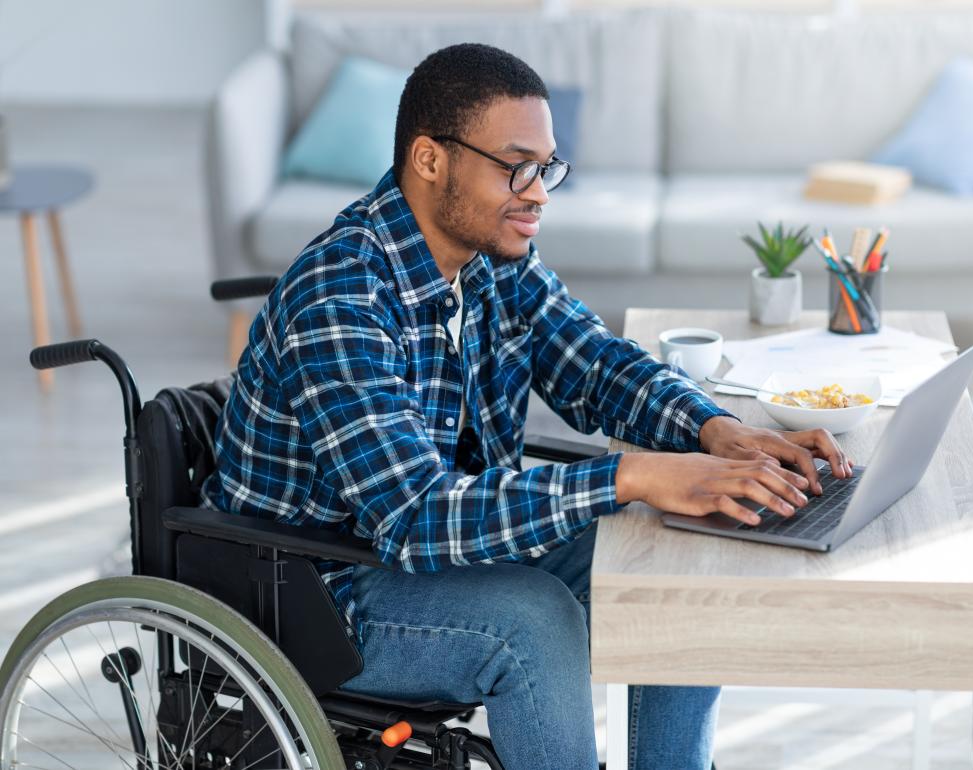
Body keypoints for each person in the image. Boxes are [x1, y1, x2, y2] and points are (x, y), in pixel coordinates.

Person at [201, 42, 851, 770]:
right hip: (322, 592)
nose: (539, 191)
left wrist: (715, 430)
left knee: (681, 565)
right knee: (533, 622)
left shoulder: (490, 257)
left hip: (441, 547)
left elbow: (596, 365)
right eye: (516, 167)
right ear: (429, 161)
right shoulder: (342, 295)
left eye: (546, 168)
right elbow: (415, 517)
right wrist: (628, 477)